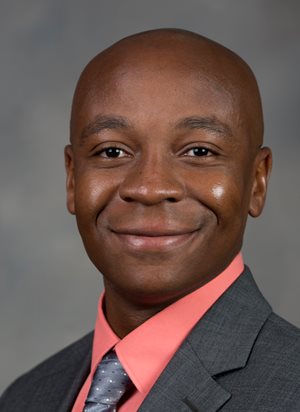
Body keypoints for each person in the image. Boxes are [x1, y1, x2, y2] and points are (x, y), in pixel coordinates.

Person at [1, 28, 300, 412]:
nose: (149, 187)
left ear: (257, 182)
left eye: (199, 150)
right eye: (111, 151)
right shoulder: (26, 397)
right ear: (73, 179)